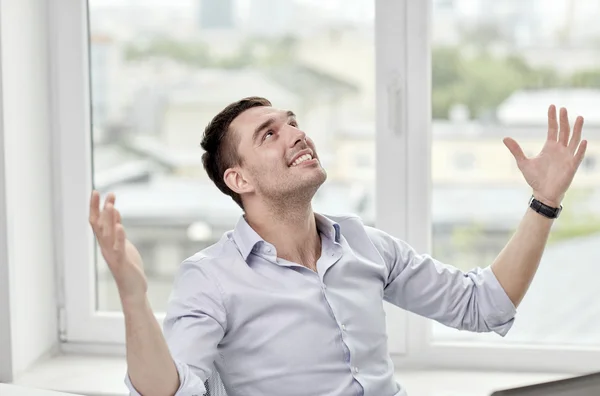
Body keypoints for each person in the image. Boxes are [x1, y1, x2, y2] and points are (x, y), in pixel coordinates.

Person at [88, 97, 587, 396]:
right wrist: (134, 297)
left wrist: (545, 200)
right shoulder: (211, 277)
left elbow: (485, 304)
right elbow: (168, 392)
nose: (298, 134)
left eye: (293, 122)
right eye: (270, 134)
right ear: (238, 178)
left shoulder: (366, 244)